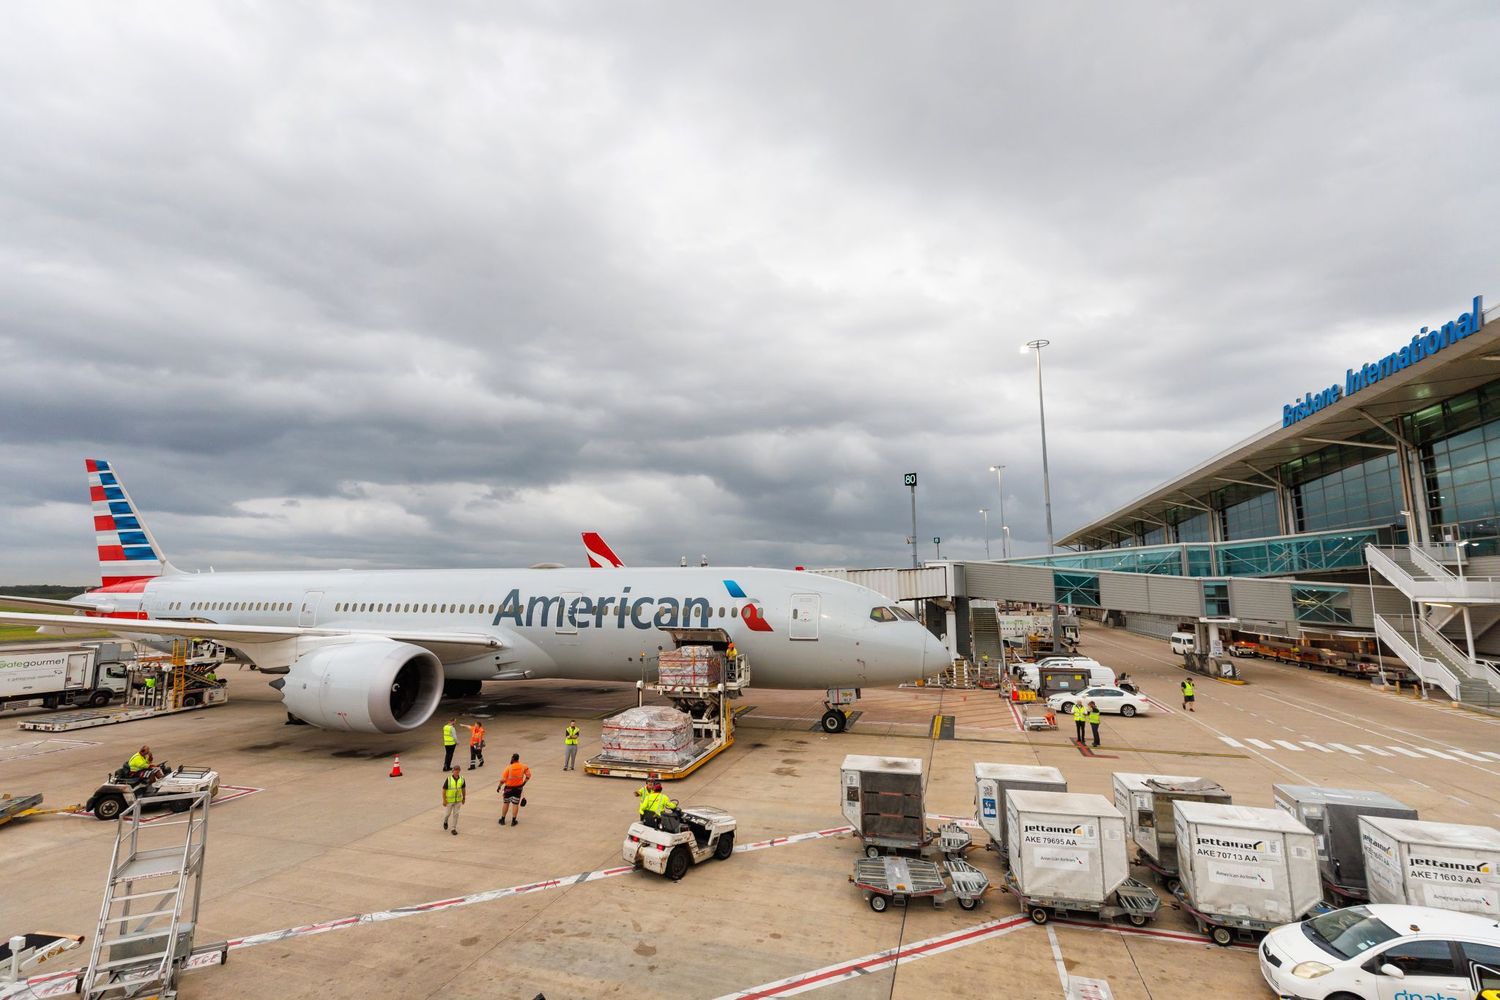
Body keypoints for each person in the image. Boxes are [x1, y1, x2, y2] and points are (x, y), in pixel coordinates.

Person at [497, 753, 531, 827]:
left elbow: (503, 780)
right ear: (518, 759)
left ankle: (502, 820)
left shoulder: (508, 768)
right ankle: (513, 821)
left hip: (508, 789)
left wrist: (499, 786)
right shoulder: (523, 766)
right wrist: (524, 782)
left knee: (506, 803)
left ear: (512, 759)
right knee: (515, 804)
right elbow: (528, 775)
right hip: (518, 788)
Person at [441, 766, 466, 835]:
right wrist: (444, 800)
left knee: (456, 814)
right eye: (455, 770)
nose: (456, 772)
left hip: (458, 800)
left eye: (458, 770)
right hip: (449, 800)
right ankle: (445, 821)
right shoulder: (449, 779)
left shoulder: (462, 779)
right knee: (447, 814)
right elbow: (444, 790)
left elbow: (463, 789)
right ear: (453, 771)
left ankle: (453, 828)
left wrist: (464, 798)